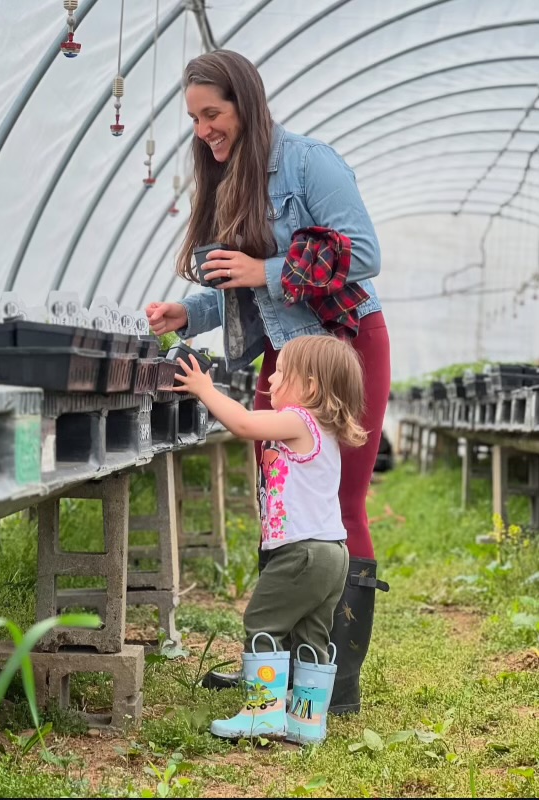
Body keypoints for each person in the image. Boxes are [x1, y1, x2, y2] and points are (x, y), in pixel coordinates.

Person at [145, 50, 391, 715]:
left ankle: (335, 682)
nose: (203, 131)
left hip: (340, 350)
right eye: (194, 119)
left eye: (212, 114)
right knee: (279, 501)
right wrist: (188, 313)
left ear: (246, 104)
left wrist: (267, 272)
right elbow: (241, 287)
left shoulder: (309, 163)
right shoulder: (230, 179)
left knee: (339, 504)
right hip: (283, 356)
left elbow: (365, 252)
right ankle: (273, 667)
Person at [173, 335, 365, 741]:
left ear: (310, 387)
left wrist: (206, 390)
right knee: (311, 635)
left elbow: (244, 424)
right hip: (333, 553)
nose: (271, 380)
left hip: (303, 553)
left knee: (263, 622)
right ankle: (306, 721)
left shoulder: (299, 419)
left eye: (280, 372)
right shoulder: (323, 429)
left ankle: (262, 713)